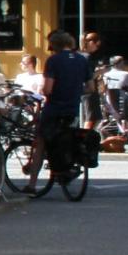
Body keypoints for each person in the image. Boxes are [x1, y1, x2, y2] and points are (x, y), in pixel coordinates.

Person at [26, 30, 91, 182]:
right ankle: (66, 167)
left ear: (54, 45)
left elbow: (48, 89)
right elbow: (91, 88)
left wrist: (42, 91)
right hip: (73, 108)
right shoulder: (82, 60)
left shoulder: (53, 60)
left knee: (41, 142)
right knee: (67, 136)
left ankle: (32, 184)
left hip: (54, 108)